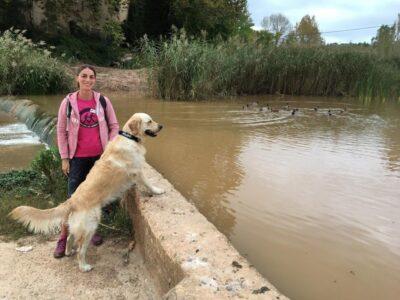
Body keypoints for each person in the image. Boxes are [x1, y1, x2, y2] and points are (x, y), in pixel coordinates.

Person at [54, 64, 119, 258]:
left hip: (99, 160)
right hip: (77, 159)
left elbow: (114, 126)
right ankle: (62, 238)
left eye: (91, 77)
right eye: (84, 76)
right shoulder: (68, 102)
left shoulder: (103, 101)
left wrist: (110, 147)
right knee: (72, 200)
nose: (88, 80)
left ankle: (90, 231)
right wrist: (65, 158)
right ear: (77, 78)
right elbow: (60, 130)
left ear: (95, 80)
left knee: (93, 198)